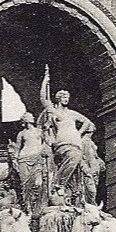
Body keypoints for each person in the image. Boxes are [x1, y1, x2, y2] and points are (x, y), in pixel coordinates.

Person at [39, 64, 94, 204]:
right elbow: (43, 99)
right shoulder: (53, 111)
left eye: (67, 97)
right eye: (64, 97)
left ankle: (61, 185)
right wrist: (45, 80)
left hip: (75, 141)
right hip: (62, 142)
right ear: (58, 98)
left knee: (76, 162)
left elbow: (88, 123)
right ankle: (59, 184)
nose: (66, 99)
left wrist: (79, 133)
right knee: (74, 158)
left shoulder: (72, 113)